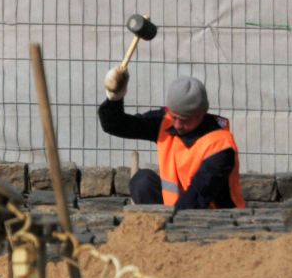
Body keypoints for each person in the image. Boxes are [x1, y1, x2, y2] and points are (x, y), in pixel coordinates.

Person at [98, 67, 245, 209]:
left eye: (185, 119)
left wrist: (170, 223)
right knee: (142, 182)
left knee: (190, 206)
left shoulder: (221, 146)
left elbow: (197, 197)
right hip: (174, 208)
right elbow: (116, 125)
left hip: (212, 217)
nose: (178, 125)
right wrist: (115, 99)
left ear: (201, 114)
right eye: (174, 117)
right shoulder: (164, 121)